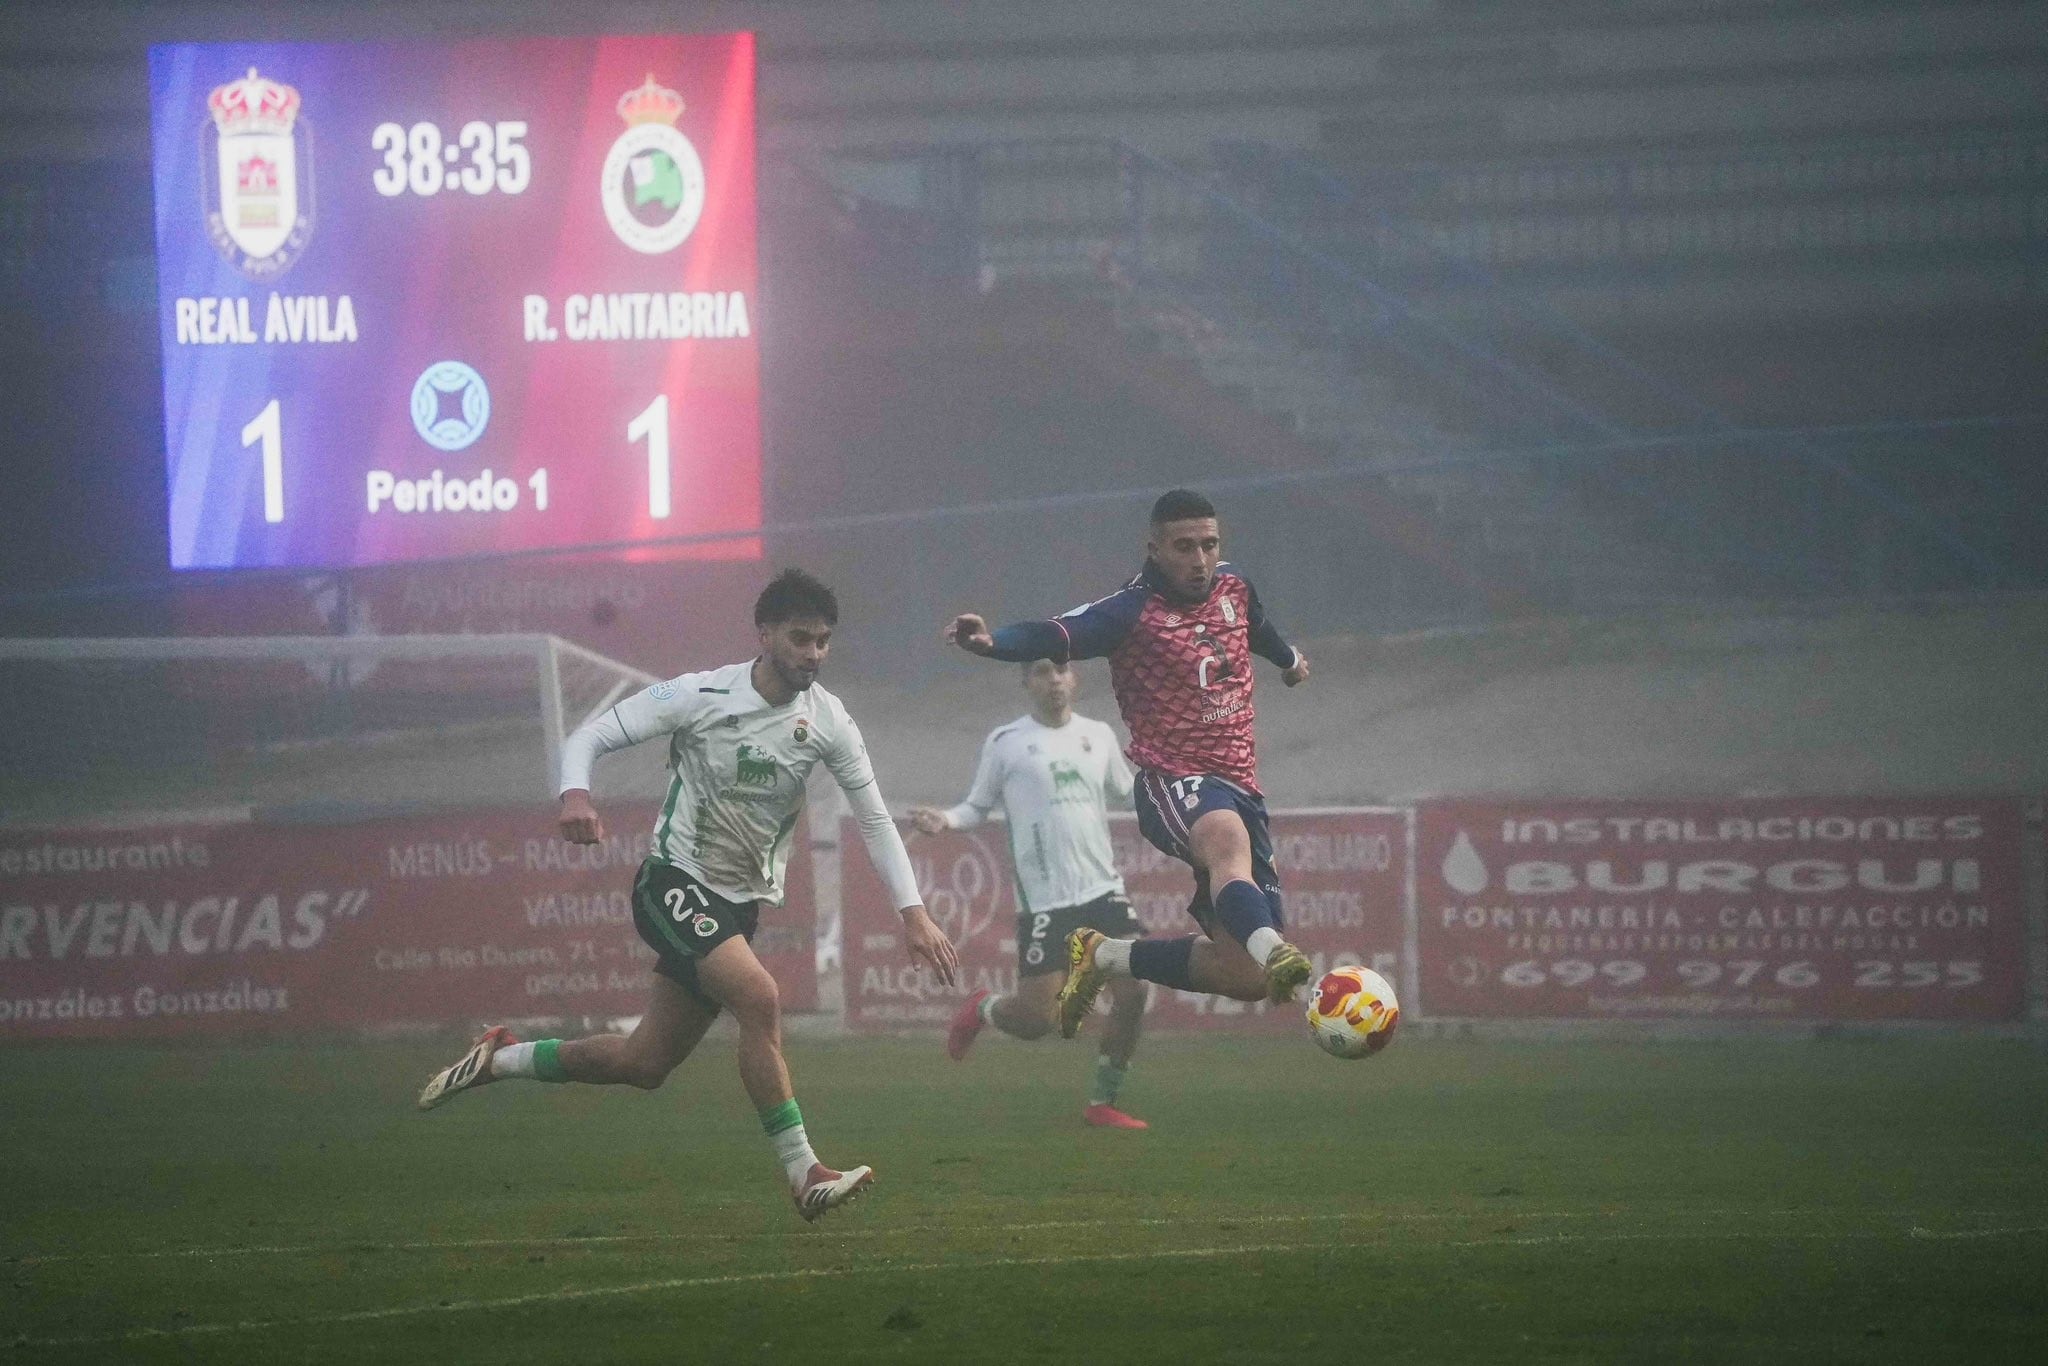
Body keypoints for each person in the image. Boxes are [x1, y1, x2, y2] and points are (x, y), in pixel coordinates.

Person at [419, 569, 959, 1223]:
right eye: (801, 638)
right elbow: (588, 736)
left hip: (736, 908)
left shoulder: (829, 722)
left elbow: (873, 818)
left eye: (823, 641)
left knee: (643, 1063)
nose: (814, 653)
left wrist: (914, 913)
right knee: (760, 996)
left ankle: (500, 1058)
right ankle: (804, 1173)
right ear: (765, 635)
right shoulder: (700, 695)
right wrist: (576, 794)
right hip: (671, 882)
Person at [944, 489, 1312, 1039]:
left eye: (1209, 545)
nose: (1200, 560)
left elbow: (1255, 626)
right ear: (1155, 549)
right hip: (1173, 780)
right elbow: (1055, 633)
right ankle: (1278, 951)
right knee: (1226, 846)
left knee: (1246, 976)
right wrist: (993, 642)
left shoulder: (1234, 586)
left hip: (1240, 787)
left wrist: (1288, 660)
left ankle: (1106, 956)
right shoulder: (1130, 612)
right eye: (1184, 547)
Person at [908, 658, 1151, 1130]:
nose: (1054, 679)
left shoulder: (1098, 735)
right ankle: (982, 1007)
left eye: (1061, 669)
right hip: (1045, 902)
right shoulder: (1006, 742)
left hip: (1103, 891)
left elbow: (1131, 793)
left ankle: (1103, 1101)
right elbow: (977, 805)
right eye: (1041, 671)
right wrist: (947, 819)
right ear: (1026, 683)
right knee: (1037, 1019)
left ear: (1075, 678)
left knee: (1135, 991)